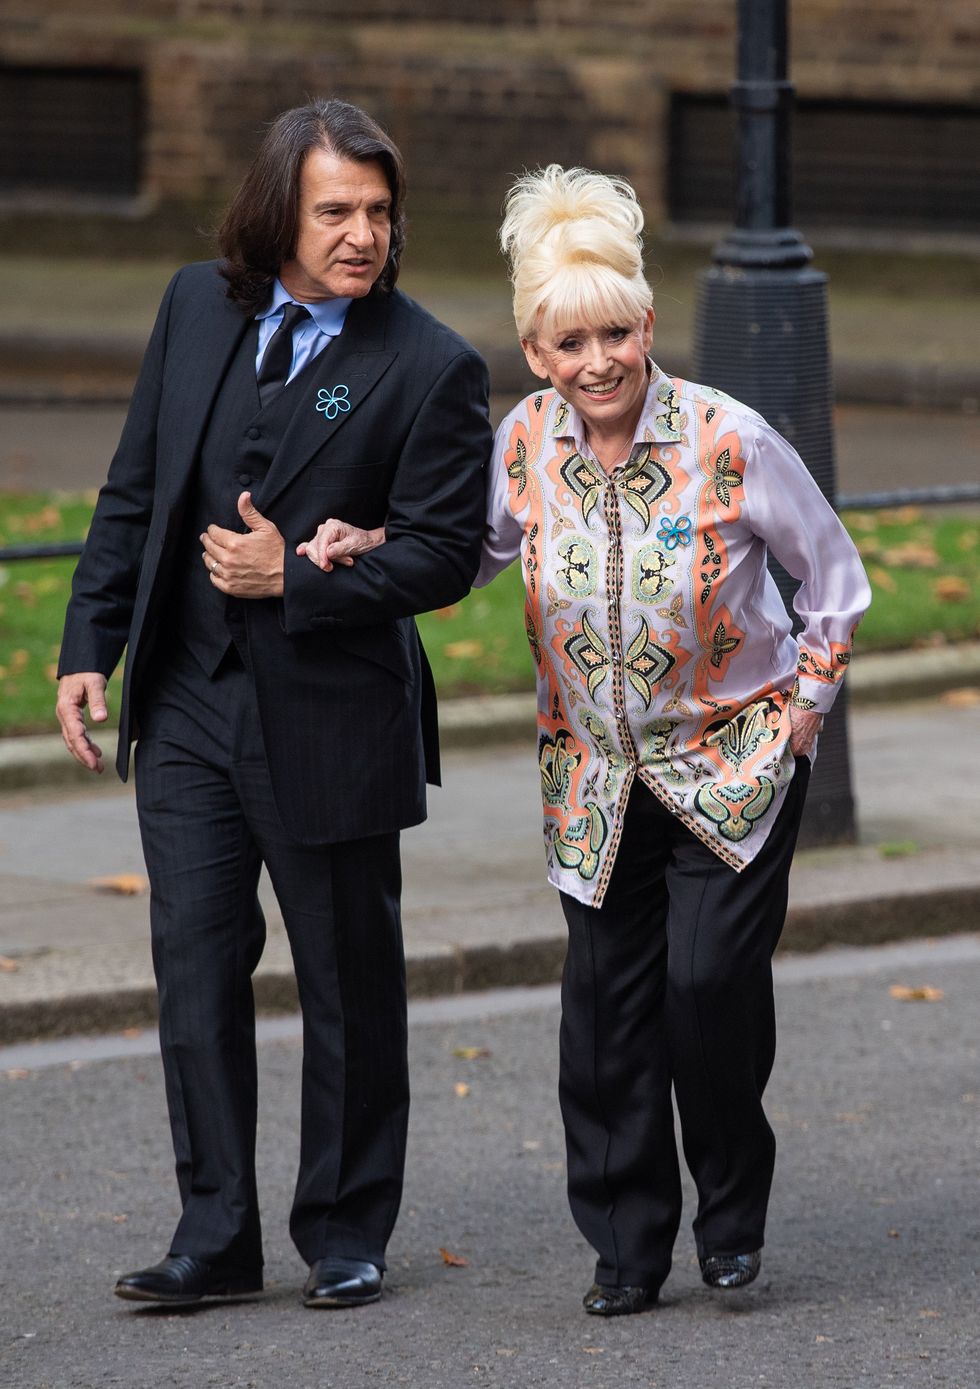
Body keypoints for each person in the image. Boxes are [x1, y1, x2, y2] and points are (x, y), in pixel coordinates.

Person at [305, 163, 870, 1315]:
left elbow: (835, 578)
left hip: (731, 762)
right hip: (594, 779)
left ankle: (728, 1220)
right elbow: (462, 553)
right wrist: (371, 546)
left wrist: (802, 710)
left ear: (646, 325)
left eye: (614, 333)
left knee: (706, 991)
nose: (596, 362)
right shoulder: (519, 444)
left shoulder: (730, 438)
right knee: (605, 1023)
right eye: (568, 345)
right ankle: (625, 1246)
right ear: (535, 352)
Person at [55, 99, 491, 1311]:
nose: (361, 235)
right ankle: (215, 1234)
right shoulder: (198, 305)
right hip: (187, 699)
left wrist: (292, 573)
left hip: (330, 712)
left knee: (347, 981)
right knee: (193, 968)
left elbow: (447, 555)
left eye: (377, 212)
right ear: (277, 213)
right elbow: (136, 482)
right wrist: (89, 641)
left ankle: (344, 1228)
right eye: (333, 211)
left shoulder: (427, 363)